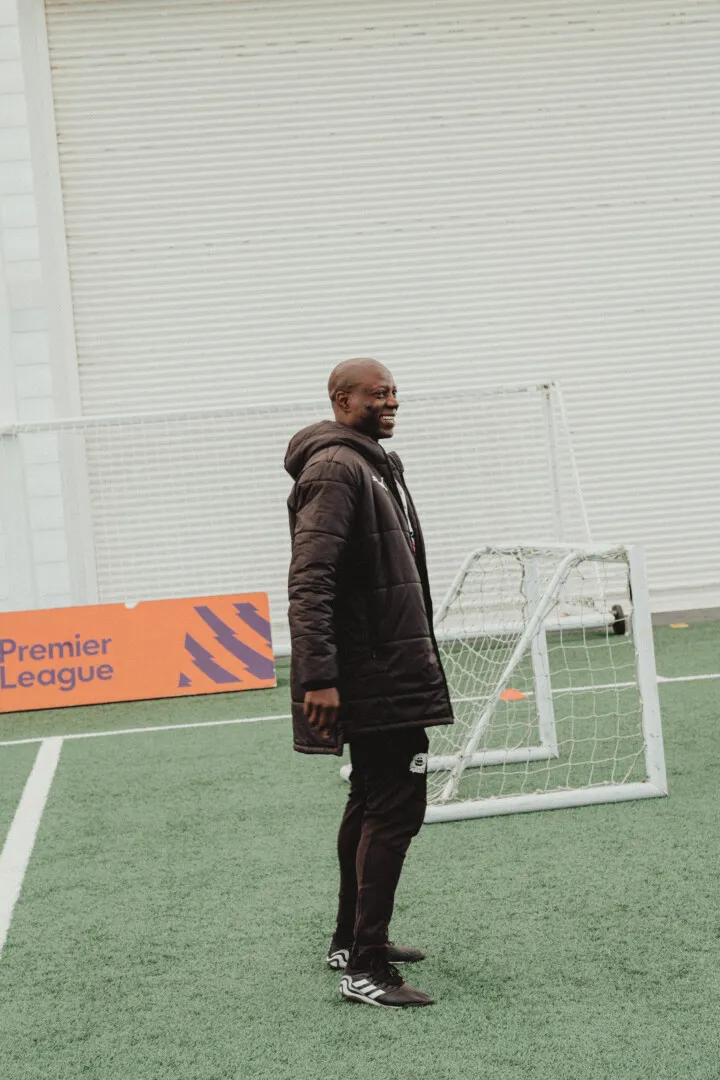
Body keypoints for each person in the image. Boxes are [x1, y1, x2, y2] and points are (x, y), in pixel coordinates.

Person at [285, 358, 454, 1009]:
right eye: (375, 393)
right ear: (339, 399)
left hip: (384, 665)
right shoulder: (336, 468)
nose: (390, 401)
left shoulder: (374, 463)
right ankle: (368, 968)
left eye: (393, 392)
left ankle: (347, 942)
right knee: (395, 808)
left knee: (368, 800)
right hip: (370, 672)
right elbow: (312, 580)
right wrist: (319, 677)